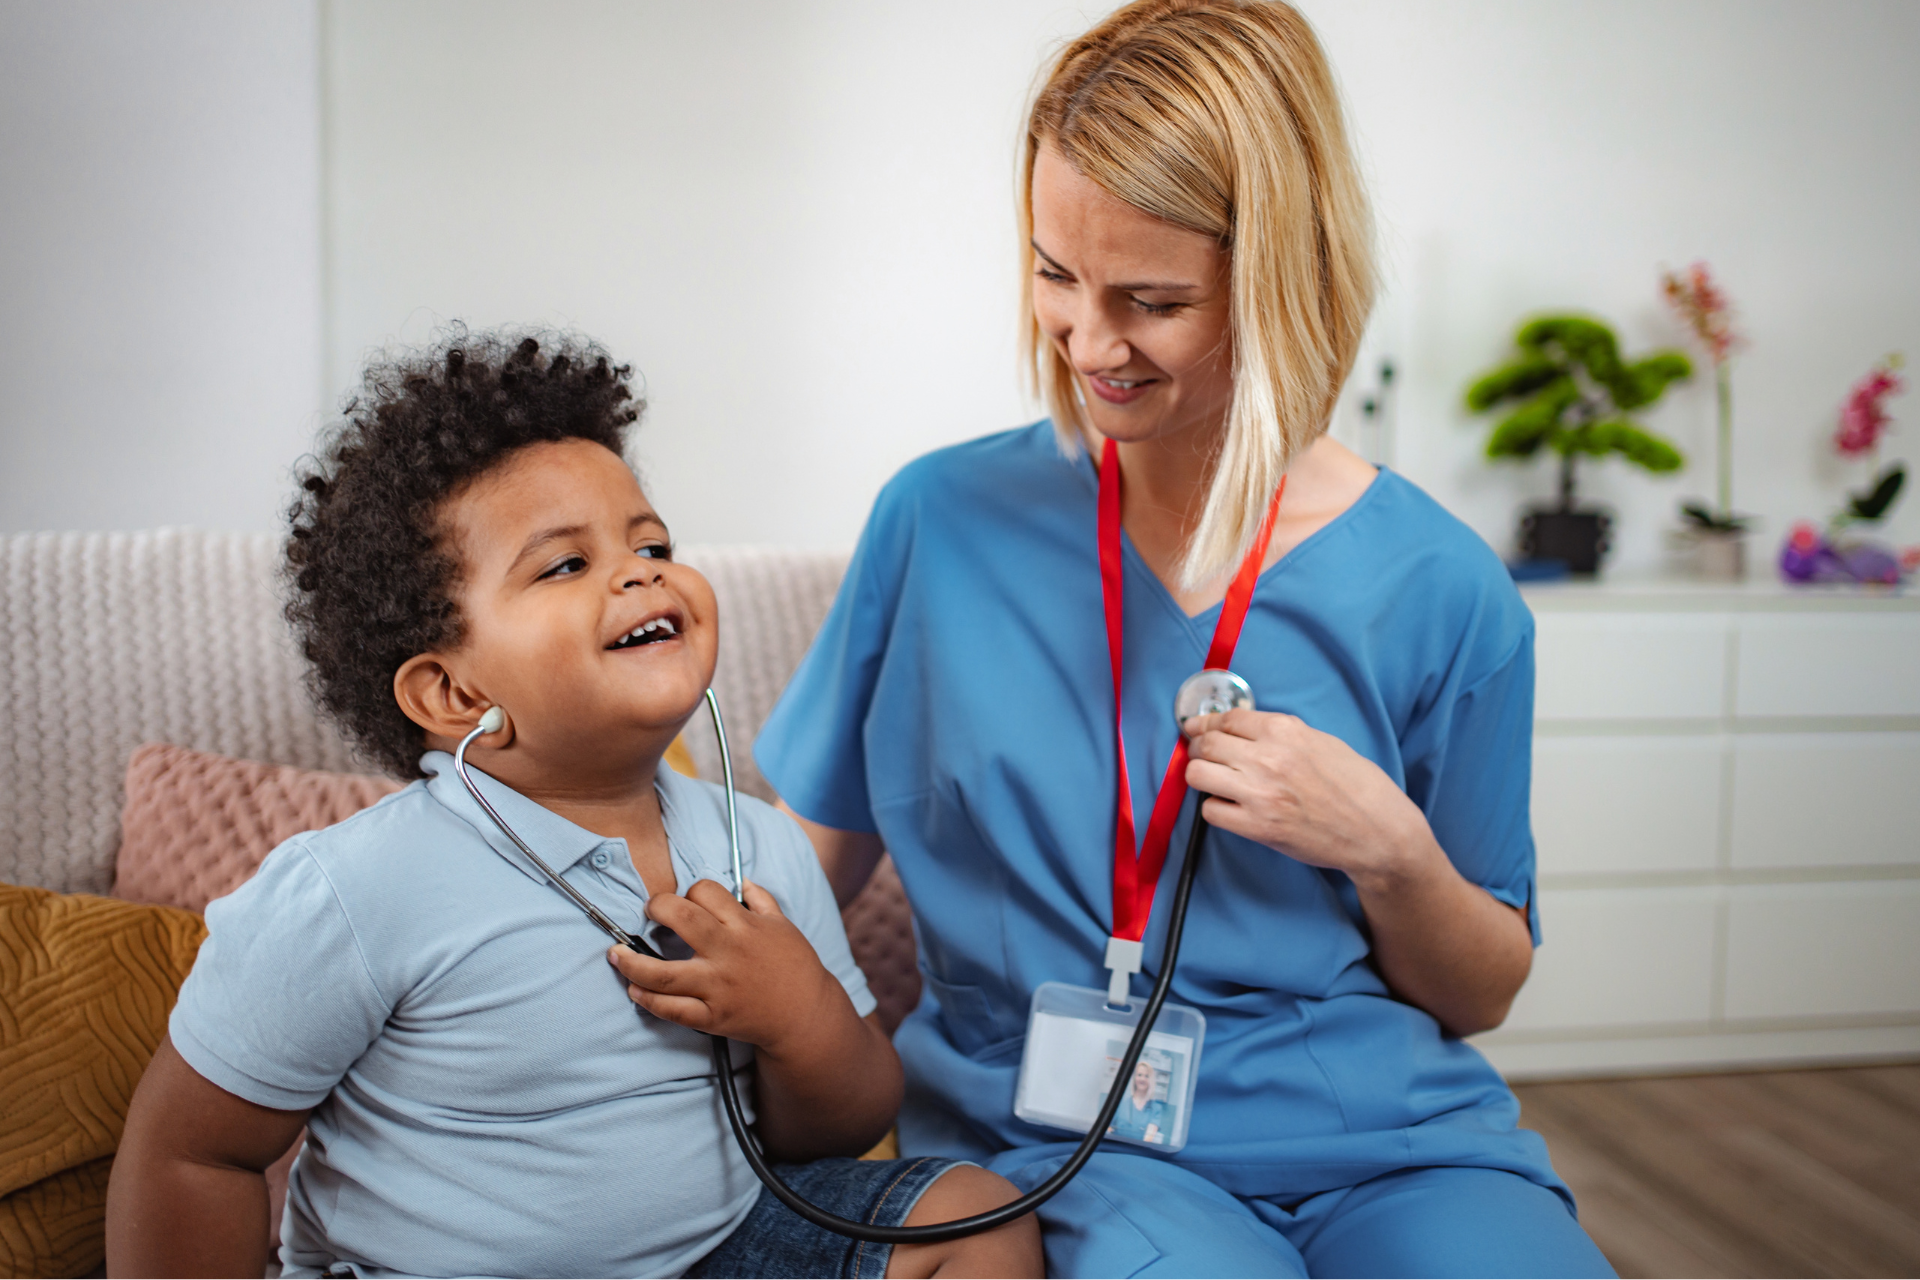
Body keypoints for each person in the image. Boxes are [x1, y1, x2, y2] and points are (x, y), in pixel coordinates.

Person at [754, 2, 1616, 1275]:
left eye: (1151, 300)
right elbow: (797, 864)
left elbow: (1480, 989)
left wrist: (1388, 850)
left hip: (1394, 1145)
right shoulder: (939, 521)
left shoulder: (1441, 586)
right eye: (1055, 273)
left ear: (1277, 278)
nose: (1088, 341)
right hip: (1064, 1144)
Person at [104, 330, 1040, 1279]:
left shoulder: (759, 848)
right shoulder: (357, 890)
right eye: (564, 565)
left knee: (978, 1220)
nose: (640, 572)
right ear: (454, 697)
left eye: (651, 544)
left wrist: (800, 1022)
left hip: (719, 1252)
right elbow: (194, 1151)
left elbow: (834, 1134)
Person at [1106, 1059, 1170, 1146]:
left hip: (1138, 1150)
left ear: (1151, 1080)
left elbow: (1148, 1138)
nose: (1142, 1079)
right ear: (1134, 1078)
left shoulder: (1155, 1108)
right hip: (1116, 1148)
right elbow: (1108, 1128)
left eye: (1147, 1076)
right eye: (1139, 1075)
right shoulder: (1120, 1103)